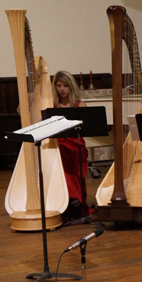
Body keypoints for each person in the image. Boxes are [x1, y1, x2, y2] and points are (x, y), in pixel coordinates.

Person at [51, 71, 89, 217]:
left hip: (76, 146)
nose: (62, 89)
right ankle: (65, 202)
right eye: (59, 86)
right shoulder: (52, 105)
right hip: (59, 146)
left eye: (65, 86)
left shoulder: (80, 105)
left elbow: (85, 128)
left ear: (71, 87)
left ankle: (78, 202)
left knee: (77, 171)